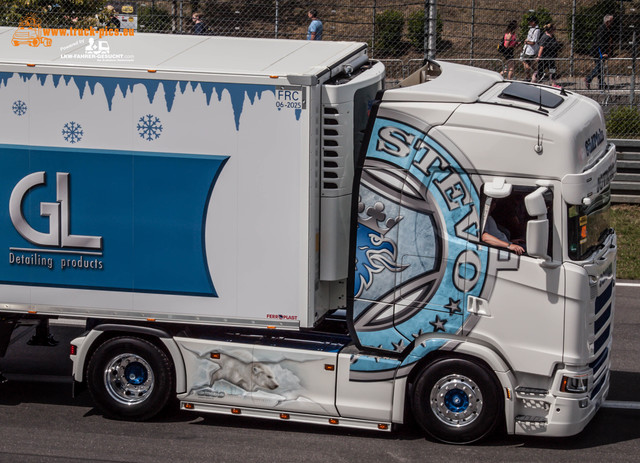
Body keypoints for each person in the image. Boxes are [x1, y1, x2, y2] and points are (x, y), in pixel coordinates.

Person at [585, 14, 614, 90]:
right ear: (607, 22)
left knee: (600, 68)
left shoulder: (608, 28)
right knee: (599, 67)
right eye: (611, 21)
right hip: (598, 51)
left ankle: (601, 84)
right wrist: (603, 53)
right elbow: (600, 42)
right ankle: (588, 79)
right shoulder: (602, 29)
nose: (612, 22)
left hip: (601, 51)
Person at [521, 14, 540, 82]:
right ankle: (531, 75)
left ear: (534, 22)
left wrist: (527, 42)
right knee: (528, 63)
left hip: (531, 50)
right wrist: (526, 40)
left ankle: (532, 75)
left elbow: (533, 42)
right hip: (527, 49)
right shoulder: (531, 29)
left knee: (526, 63)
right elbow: (529, 38)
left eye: (530, 21)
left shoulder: (537, 30)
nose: (529, 22)